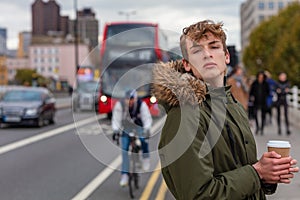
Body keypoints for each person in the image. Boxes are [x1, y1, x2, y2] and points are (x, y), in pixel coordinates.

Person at [152, 20, 298, 199]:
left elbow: (241, 170)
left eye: (214, 47)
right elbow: (199, 195)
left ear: (226, 56)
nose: (207, 54)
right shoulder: (185, 115)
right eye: (197, 50)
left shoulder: (233, 105)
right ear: (187, 64)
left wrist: (268, 175)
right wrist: (257, 173)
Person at [112, 89, 152, 187]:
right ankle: (124, 175)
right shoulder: (120, 105)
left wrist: (147, 129)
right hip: (126, 127)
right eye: (127, 99)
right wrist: (116, 131)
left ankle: (145, 158)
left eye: (132, 99)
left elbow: (146, 118)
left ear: (135, 98)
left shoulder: (141, 105)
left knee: (143, 140)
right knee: (124, 149)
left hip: (138, 126)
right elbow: (116, 119)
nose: (129, 102)